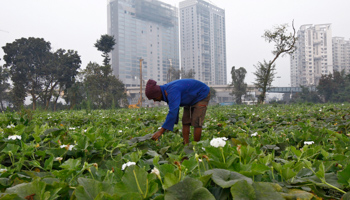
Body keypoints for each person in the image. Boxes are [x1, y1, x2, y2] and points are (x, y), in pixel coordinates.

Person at [145, 79, 210, 144]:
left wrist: (161, 131)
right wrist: (168, 126)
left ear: (158, 94)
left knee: (197, 122)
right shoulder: (165, 91)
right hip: (190, 97)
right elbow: (174, 108)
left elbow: (173, 111)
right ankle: (186, 145)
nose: (154, 101)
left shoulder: (171, 91)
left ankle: (196, 146)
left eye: (154, 98)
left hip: (201, 94)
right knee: (185, 121)